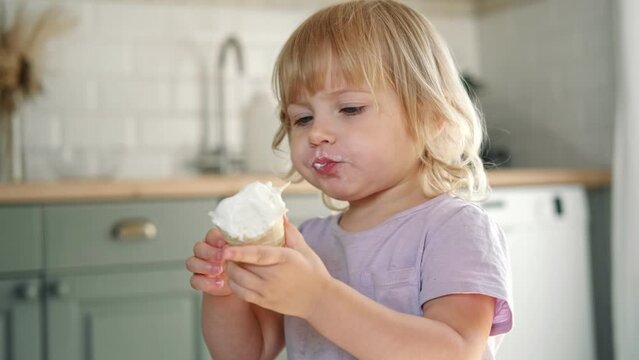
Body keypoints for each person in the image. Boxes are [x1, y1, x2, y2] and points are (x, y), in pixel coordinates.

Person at [186, 1, 513, 359]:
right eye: (303, 118)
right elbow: (248, 353)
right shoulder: (308, 242)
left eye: (350, 109)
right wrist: (226, 290)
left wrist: (318, 299)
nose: (317, 134)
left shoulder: (455, 229)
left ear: (430, 116)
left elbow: (455, 351)